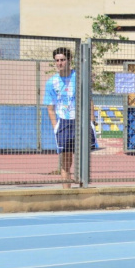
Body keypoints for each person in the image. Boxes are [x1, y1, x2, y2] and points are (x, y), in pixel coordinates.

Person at [44, 46, 96, 188]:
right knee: (66, 161)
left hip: (81, 121)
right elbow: (50, 108)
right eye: (57, 60)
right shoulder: (51, 82)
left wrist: (92, 121)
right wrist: (56, 127)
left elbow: (89, 100)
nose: (59, 63)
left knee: (83, 159)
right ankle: (66, 192)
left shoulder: (79, 78)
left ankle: (83, 189)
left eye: (62, 60)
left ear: (69, 60)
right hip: (64, 123)